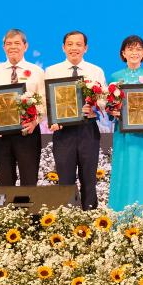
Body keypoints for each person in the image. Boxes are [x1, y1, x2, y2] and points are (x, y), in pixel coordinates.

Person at [45, 30, 106, 210]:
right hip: (63, 131)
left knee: (89, 178)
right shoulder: (52, 71)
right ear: (63, 47)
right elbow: (47, 100)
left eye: (78, 44)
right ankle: (68, 220)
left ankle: (89, 218)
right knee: (65, 179)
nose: (74, 48)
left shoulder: (96, 71)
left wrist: (95, 108)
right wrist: (52, 120)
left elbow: (103, 99)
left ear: (85, 48)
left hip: (88, 129)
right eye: (70, 44)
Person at [108, 35, 143, 211]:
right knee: (123, 173)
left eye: (138, 49)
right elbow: (109, 106)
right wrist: (112, 112)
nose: (134, 52)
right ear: (123, 53)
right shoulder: (115, 76)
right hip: (123, 135)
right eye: (130, 49)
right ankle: (120, 218)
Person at [0, 29, 44, 187]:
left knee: (29, 180)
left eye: (17, 43)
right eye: (8, 43)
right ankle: (8, 212)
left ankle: (27, 212)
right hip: (2, 135)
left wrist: (34, 122)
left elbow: (44, 102)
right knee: (4, 180)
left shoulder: (37, 71)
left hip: (28, 132)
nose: (13, 47)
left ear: (25, 46)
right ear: (4, 47)